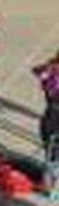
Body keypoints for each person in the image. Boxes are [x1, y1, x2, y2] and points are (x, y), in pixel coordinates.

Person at [33, 50, 59, 184]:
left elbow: (37, 71)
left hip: (50, 115)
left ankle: (49, 176)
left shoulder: (49, 72)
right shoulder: (51, 73)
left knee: (51, 149)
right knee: (52, 149)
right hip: (52, 116)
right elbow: (37, 71)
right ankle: (49, 178)